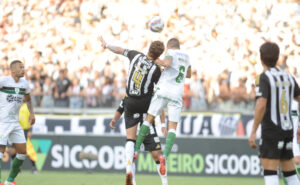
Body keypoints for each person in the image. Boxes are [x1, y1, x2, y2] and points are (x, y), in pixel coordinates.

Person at [100, 36, 164, 185]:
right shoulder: (155, 69)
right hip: (145, 103)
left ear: (148, 49)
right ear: (158, 55)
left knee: (130, 138)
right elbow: (160, 91)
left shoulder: (135, 55)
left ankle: (129, 172)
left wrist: (107, 45)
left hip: (129, 101)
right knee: (151, 137)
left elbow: (119, 50)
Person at [134, 38, 191, 176]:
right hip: (177, 93)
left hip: (164, 89)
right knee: (173, 128)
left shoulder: (171, 52)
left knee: (149, 119)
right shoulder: (187, 57)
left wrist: (155, 60)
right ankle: (165, 155)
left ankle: (135, 150)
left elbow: (167, 62)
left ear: (169, 46)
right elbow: (188, 75)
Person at [248, 42, 300, 185]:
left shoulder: (264, 77)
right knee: (290, 173)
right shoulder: (288, 76)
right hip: (288, 130)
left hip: (272, 131)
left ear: (261, 58)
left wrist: (253, 132)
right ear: (277, 58)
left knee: (270, 172)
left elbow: (261, 104)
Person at [110, 98, 168, 185]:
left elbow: (160, 108)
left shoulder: (151, 94)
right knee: (132, 157)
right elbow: (120, 109)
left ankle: (165, 183)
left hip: (148, 130)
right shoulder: (129, 95)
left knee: (157, 156)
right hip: (135, 131)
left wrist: (163, 125)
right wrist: (114, 120)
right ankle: (132, 182)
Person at [0, 60, 36, 185]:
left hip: (15, 123)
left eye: (24, 67)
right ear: (13, 70)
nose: (23, 69)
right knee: (1, 151)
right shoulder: (3, 81)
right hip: (2, 122)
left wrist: (31, 113)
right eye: (21, 67)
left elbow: (28, 100)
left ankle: (9, 181)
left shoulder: (24, 84)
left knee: (22, 153)